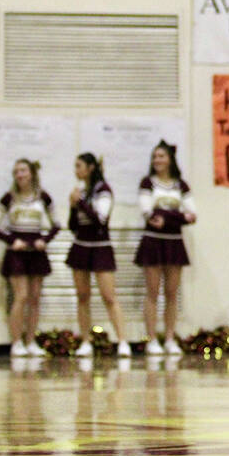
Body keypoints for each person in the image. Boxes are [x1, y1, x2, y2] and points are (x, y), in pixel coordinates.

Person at [0, 159, 60, 358]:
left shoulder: (43, 197)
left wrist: (45, 239)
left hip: (36, 250)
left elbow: (56, 224)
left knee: (35, 298)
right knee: (20, 296)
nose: (19, 175)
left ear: (31, 173)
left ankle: (30, 340)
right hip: (17, 251)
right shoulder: (9, 198)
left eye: (23, 170)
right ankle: (16, 341)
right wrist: (12, 240)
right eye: (16, 172)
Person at [135, 140, 196, 357]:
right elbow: (148, 214)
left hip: (174, 242)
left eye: (161, 156)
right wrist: (178, 217)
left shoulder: (181, 185)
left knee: (172, 293)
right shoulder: (147, 183)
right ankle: (152, 339)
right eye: (154, 157)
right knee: (153, 292)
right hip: (153, 241)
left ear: (170, 159)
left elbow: (192, 215)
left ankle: (170, 338)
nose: (157, 160)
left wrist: (167, 216)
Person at [67, 153, 130, 358]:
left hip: (100, 247)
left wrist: (81, 203)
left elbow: (100, 219)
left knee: (109, 296)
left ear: (91, 167)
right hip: (81, 246)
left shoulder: (103, 189)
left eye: (79, 166)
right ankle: (85, 341)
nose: (76, 170)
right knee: (82, 296)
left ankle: (122, 341)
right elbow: (73, 226)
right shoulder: (80, 190)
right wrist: (72, 207)